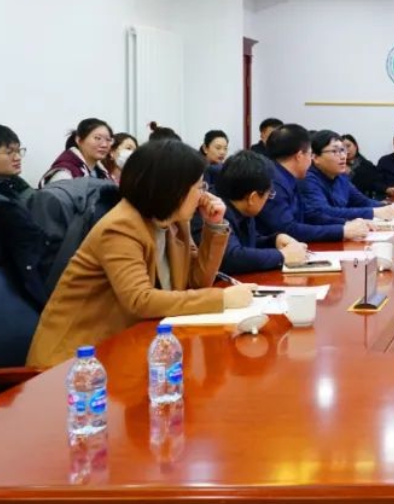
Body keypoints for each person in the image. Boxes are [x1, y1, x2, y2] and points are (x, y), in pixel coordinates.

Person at [26, 139, 254, 368]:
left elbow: (196, 282)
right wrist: (222, 299)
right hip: (74, 362)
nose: (204, 196)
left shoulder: (175, 223)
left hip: (128, 346)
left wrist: (214, 226)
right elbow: (139, 299)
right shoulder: (121, 226)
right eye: (199, 187)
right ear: (172, 190)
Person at [258, 123, 367, 242]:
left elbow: (309, 215)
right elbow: (288, 229)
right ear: (299, 156)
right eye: (310, 154)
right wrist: (342, 231)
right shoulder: (274, 183)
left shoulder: (289, 177)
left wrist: (346, 224)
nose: (312, 160)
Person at [212, 149, 309, 275]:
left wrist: (274, 240)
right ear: (252, 198)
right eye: (269, 194)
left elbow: (247, 243)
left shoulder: (242, 208)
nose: (268, 200)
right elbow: (232, 257)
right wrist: (282, 255)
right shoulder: (214, 211)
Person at [303, 130, 394, 222]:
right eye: (334, 151)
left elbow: (362, 201)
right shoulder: (307, 179)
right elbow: (323, 212)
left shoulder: (341, 176)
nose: (343, 156)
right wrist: (373, 212)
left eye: (342, 150)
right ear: (315, 158)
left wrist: (387, 206)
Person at [40, 117, 113, 187]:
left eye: (108, 140)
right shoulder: (65, 174)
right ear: (78, 140)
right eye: (97, 138)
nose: (104, 145)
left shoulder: (102, 173)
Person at [340, 134, 386, 200]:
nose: (346, 150)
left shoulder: (367, 165)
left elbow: (373, 185)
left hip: (362, 200)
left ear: (356, 146)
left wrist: (351, 173)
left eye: (348, 146)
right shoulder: (336, 165)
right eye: (342, 148)